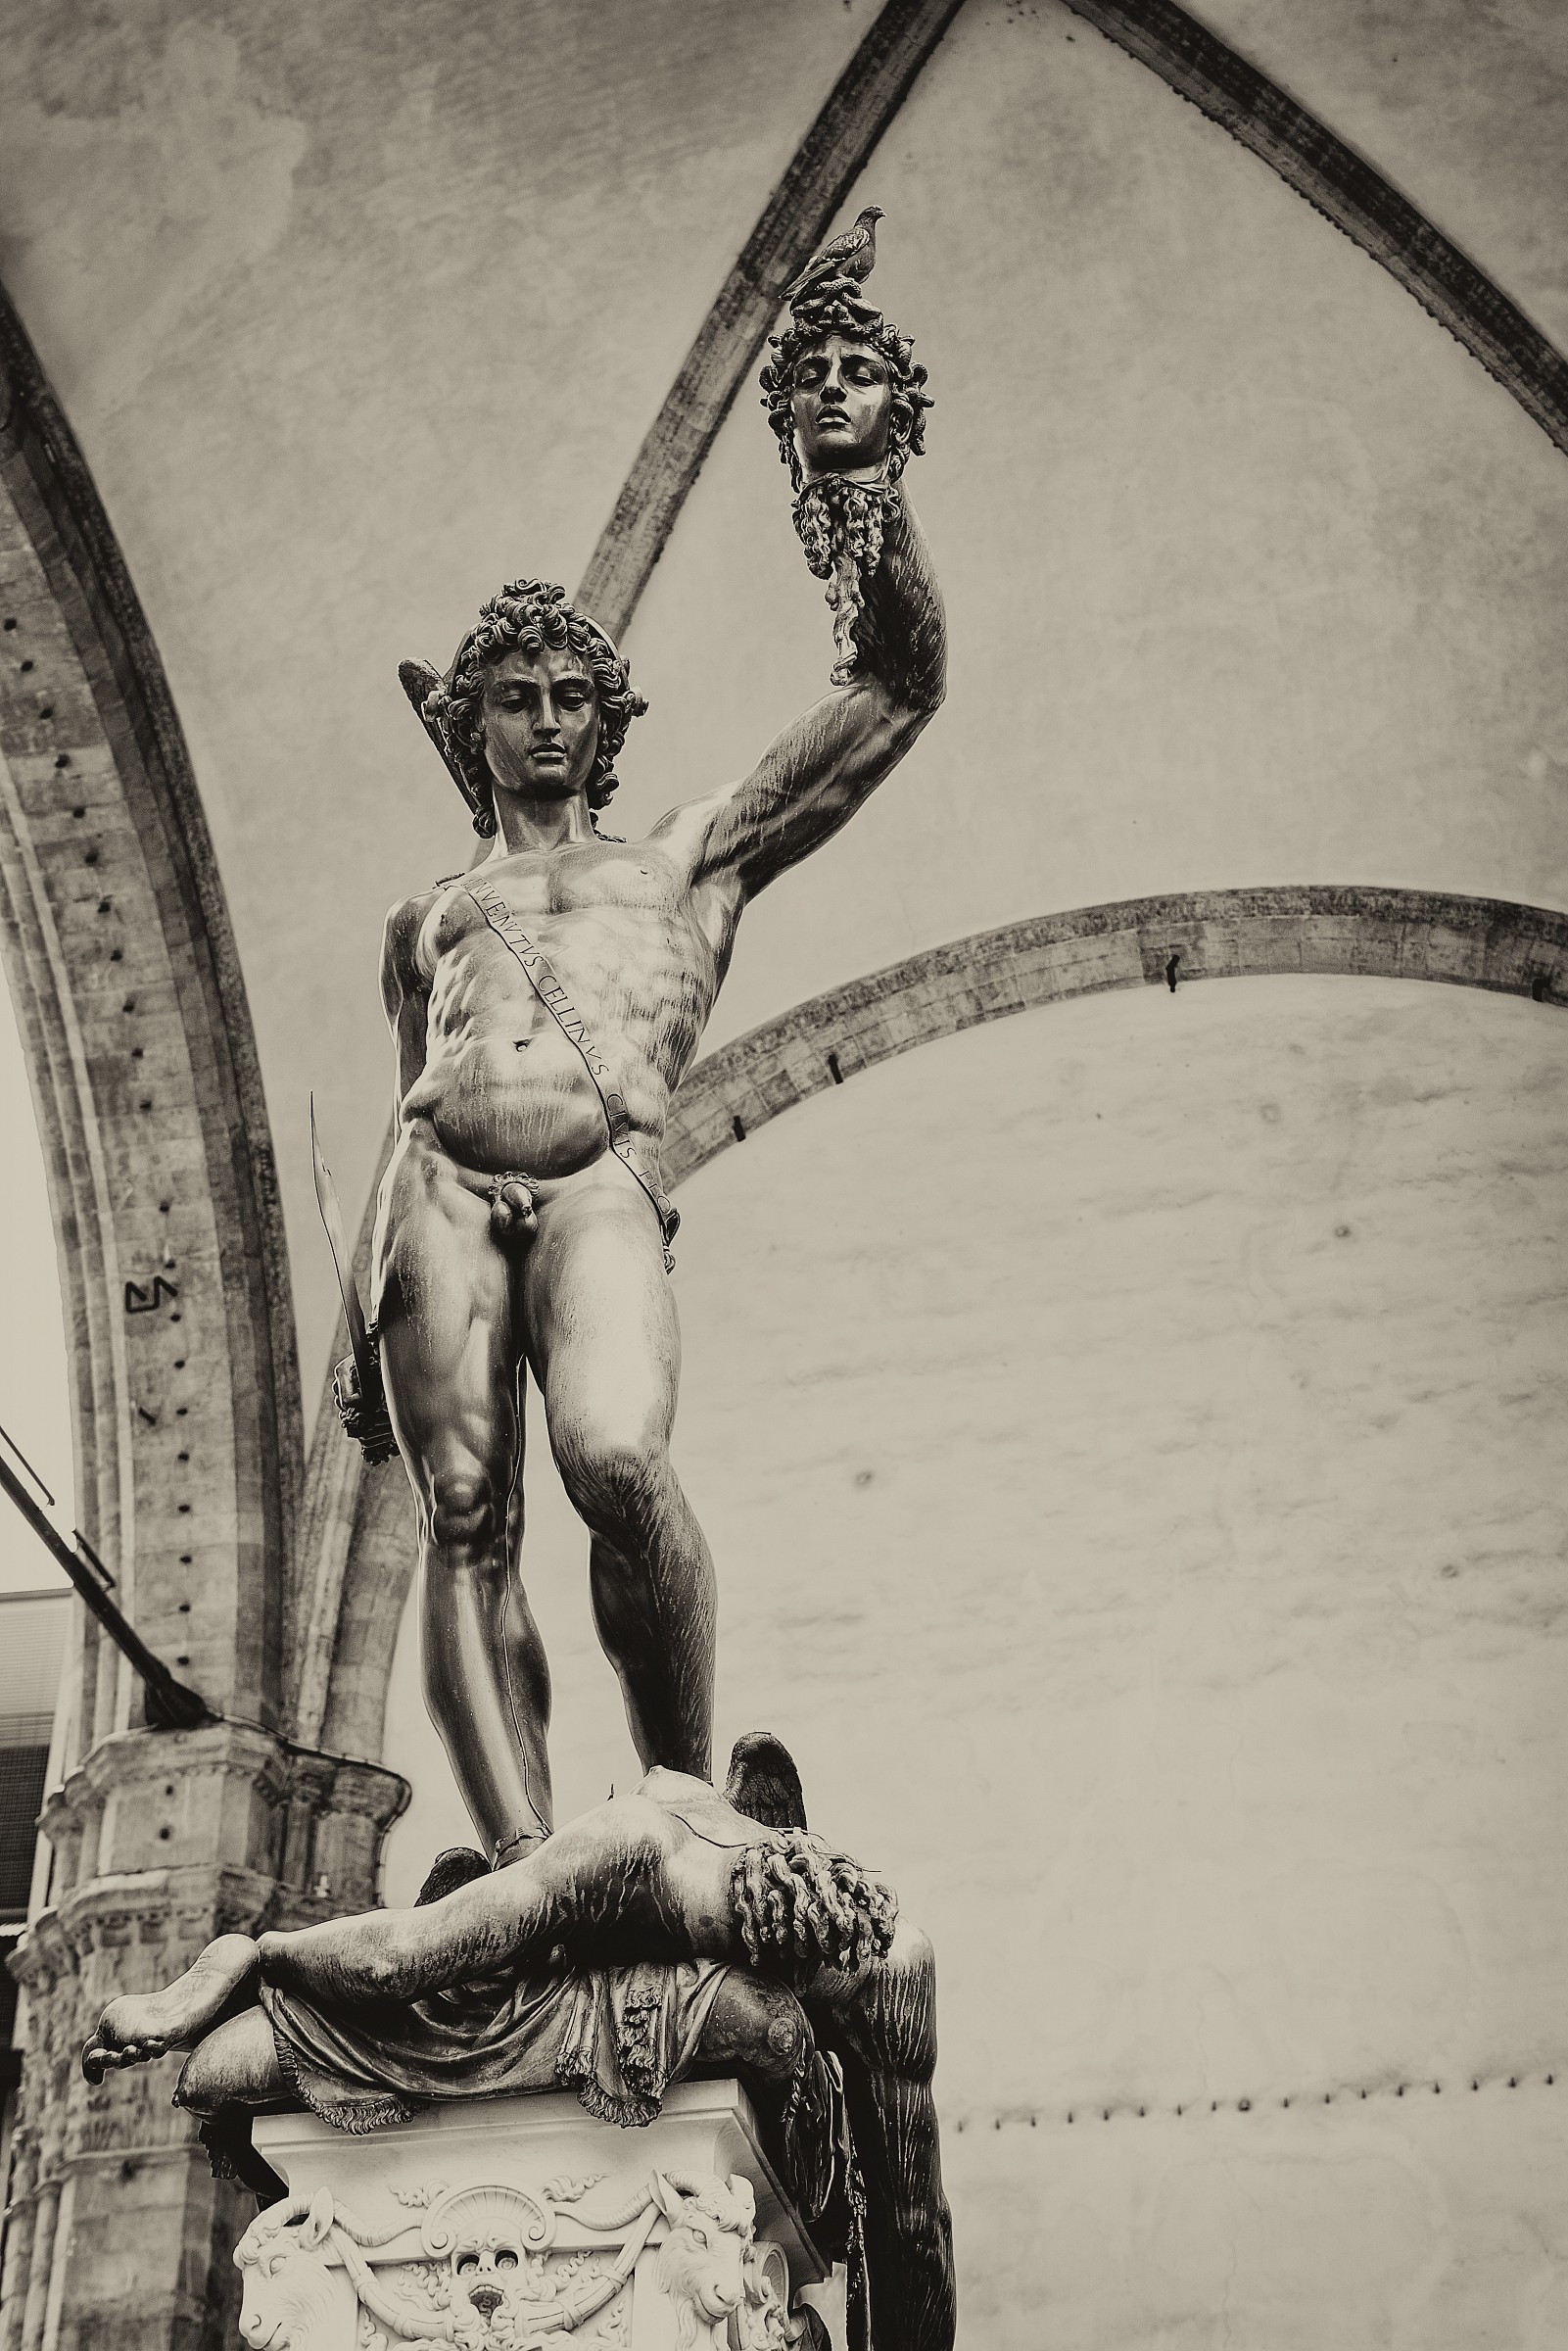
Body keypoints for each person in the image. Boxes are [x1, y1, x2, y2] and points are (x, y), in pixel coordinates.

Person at [341, 299, 945, 1867]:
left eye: (569, 698)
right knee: (465, 1521)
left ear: (606, 725)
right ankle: (529, 1855)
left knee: (612, 1456)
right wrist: (356, 1316)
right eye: (511, 697)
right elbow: (411, 1081)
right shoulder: (426, 915)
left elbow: (893, 693)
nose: (543, 721)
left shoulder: (686, 855)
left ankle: (678, 1785)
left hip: (603, 1167)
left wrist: (861, 481)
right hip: (438, 1194)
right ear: (468, 724)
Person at [83, 1742, 954, 2351]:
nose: (799, 2012)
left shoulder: (887, 1967)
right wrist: (250, 1961)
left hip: (579, 1987)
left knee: (762, 2034)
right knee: (223, 2069)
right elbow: (400, 1958)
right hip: (493, 1984)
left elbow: (913, 2226)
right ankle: (254, 1964)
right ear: (732, 1936)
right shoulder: (636, 1850)